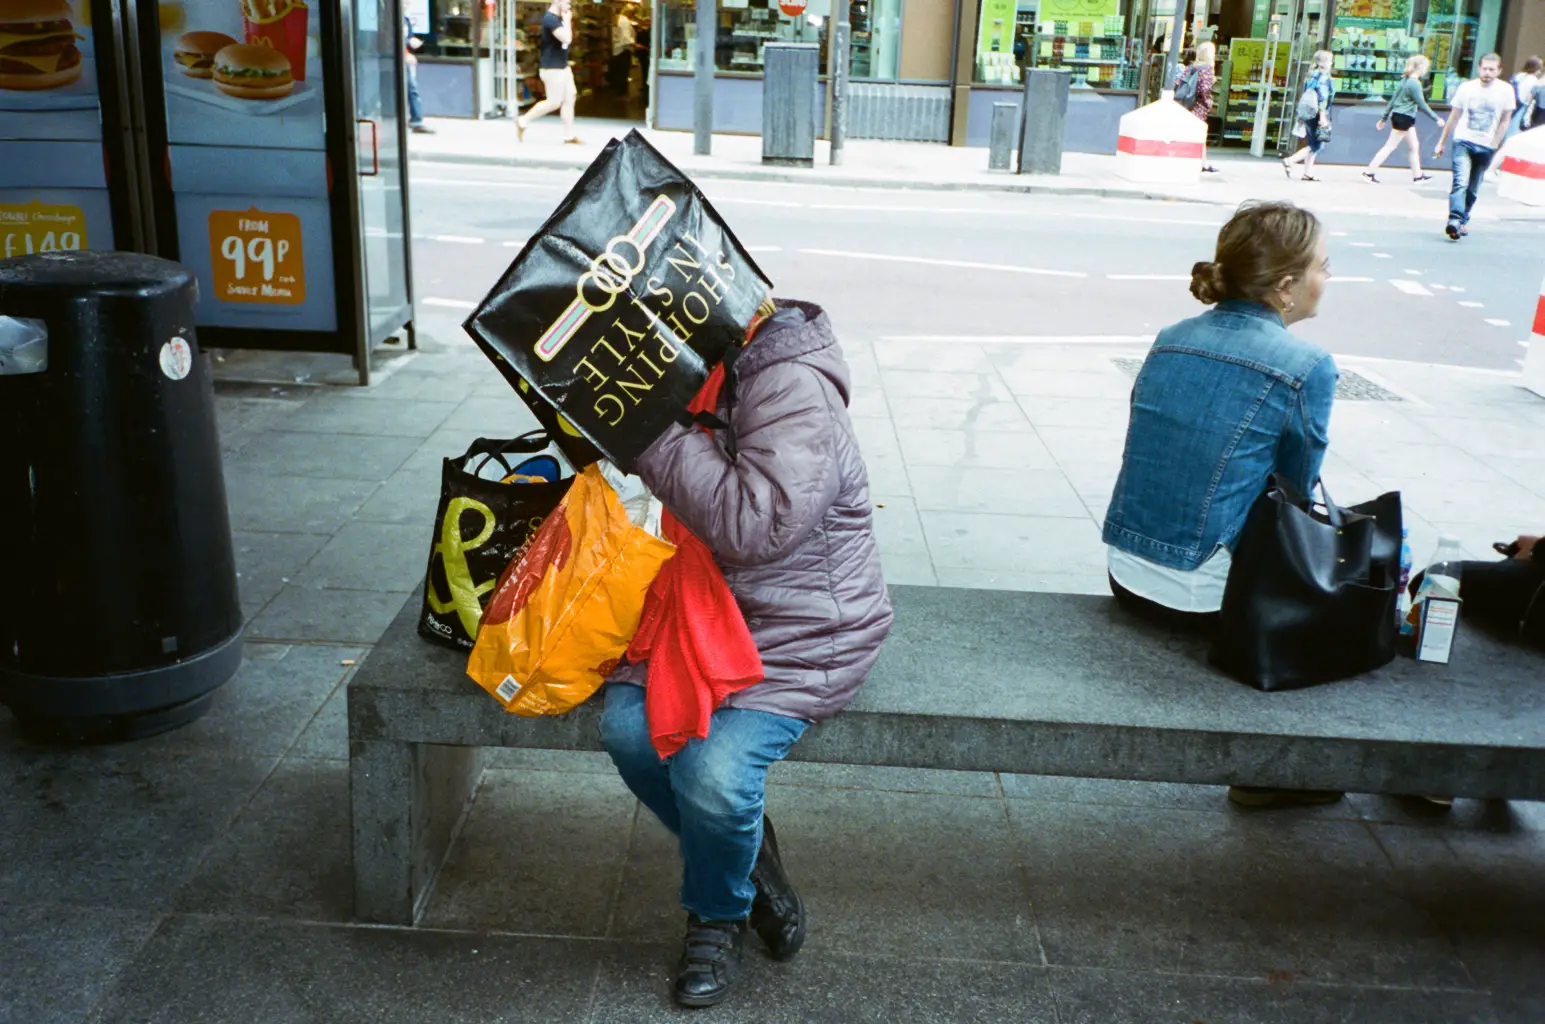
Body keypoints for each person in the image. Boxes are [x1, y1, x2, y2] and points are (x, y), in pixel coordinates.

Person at [599, 298, 893, 1009]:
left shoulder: (789, 379)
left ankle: (718, 911)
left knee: (714, 771)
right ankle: (749, 860)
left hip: (800, 631)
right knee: (628, 731)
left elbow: (755, 525)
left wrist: (648, 430)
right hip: (694, 612)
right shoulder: (692, 362)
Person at [1103, 201, 1337, 807]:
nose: (1327, 278)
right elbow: (1297, 492)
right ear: (1286, 286)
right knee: (1359, 606)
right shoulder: (1306, 365)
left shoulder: (1172, 337)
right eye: (1322, 266)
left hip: (1127, 570)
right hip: (1202, 597)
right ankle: (1280, 773)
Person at [1435, 53, 1514, 240]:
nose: (1487, 73)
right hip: (1463, 140)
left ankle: (1462, 220)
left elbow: (1505, 121)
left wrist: (1494, 144)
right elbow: (1454, 116)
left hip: (1486, 145)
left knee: (1473, 188)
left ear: (1499, 71)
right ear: (1479, 68)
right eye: (1484, 68)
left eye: (1492, 69)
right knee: (1460, 182)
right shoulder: (1466, 88)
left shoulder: (1506, 90)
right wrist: (1442, 142)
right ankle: (1454, 220)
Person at [1363, 54, 1443, 183]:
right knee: (1390, 146)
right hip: (1405, 118)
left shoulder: (1405, 80)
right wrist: (1436, 118)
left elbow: (1393, 100)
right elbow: (1422, 104)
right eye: (1426, 67)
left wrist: (1384, 118)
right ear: (1421, 67)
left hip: (1401, 117)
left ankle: (1418, 176)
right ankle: (1369, 172)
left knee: (1414, 146)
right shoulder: (1414, 84)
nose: (1426, 71)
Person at [516, 0, 581, 145]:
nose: (569, 5)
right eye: (567, 2)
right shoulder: (550, 19)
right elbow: (567, 38)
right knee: (554, 102)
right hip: (552, 68)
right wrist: (567, 21)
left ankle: (569, 136)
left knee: (570, 97)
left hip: (562, 66)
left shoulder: (557, 18)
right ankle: (523, 120)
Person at [1282, 51, 1335, 181]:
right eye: (1330, 60)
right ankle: (1290, 161)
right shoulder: (1323, 78)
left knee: (1313, 143)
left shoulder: (1312, 75)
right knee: (1316, 145)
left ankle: (1308, 173)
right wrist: (1323, 117)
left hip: (1309, 113)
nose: (1332, 63)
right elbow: (1322, 98)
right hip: (1317, 114)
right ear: (1324, 62)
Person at [1175, 42, 1218, 173]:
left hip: (1186, 104)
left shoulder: (1191, 67)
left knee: (1192, 133)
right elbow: (1204, 90)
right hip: (1198, 106)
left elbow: (1178, 82)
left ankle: (1203, 163)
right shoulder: (1207, 69)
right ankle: (1200, 163)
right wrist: (1208, 102)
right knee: (1199, 134)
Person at [403, 16, 433, 135]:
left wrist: (411, 41)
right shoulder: (390, 16)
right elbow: (389, 38)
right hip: (393, 59)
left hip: (404, 60)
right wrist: (405, 53)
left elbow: (406, 37)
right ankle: (416, 121)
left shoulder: (405, 19)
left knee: (412, 89)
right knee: (411, 88)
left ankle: (416, 120)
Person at [1506, 56, 1542, 139]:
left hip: (1511, 103)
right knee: (1513, 130)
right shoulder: (1534, 80)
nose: (1540, 72)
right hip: (1522, 106)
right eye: (1539, 69)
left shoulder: (1518, 76)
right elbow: (1529, 99)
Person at [610, 5, 636, 96]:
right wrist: (636, 45)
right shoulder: (624, 21)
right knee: (623, 74)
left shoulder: (618, 19)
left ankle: (619, 94)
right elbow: (626, 38)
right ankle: (622, 95)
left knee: (619, 73)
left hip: (616, 50)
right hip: (623, 50)